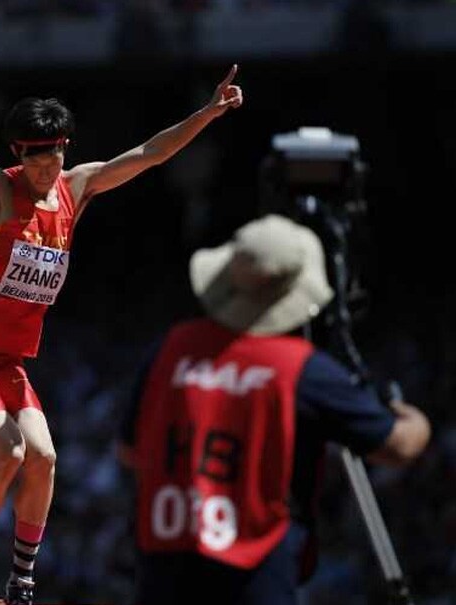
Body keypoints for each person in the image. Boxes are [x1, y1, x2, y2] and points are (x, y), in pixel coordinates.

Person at [0, 28, 243, 605]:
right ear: (17, 153)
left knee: (45, 458)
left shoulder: (78, 187)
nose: (46, 165)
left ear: (65, 148)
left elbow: (150, 153)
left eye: (53, 153)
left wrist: (208, 113)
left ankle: (21, 579)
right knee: (8, 452)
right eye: (34, 155)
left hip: (8, 360)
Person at [116, 214, 431, 605]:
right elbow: (398, 447)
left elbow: (129, 451)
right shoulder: (300, 368)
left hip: (163, 568)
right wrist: (409, 415)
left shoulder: (171, 347)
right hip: (258, 573)